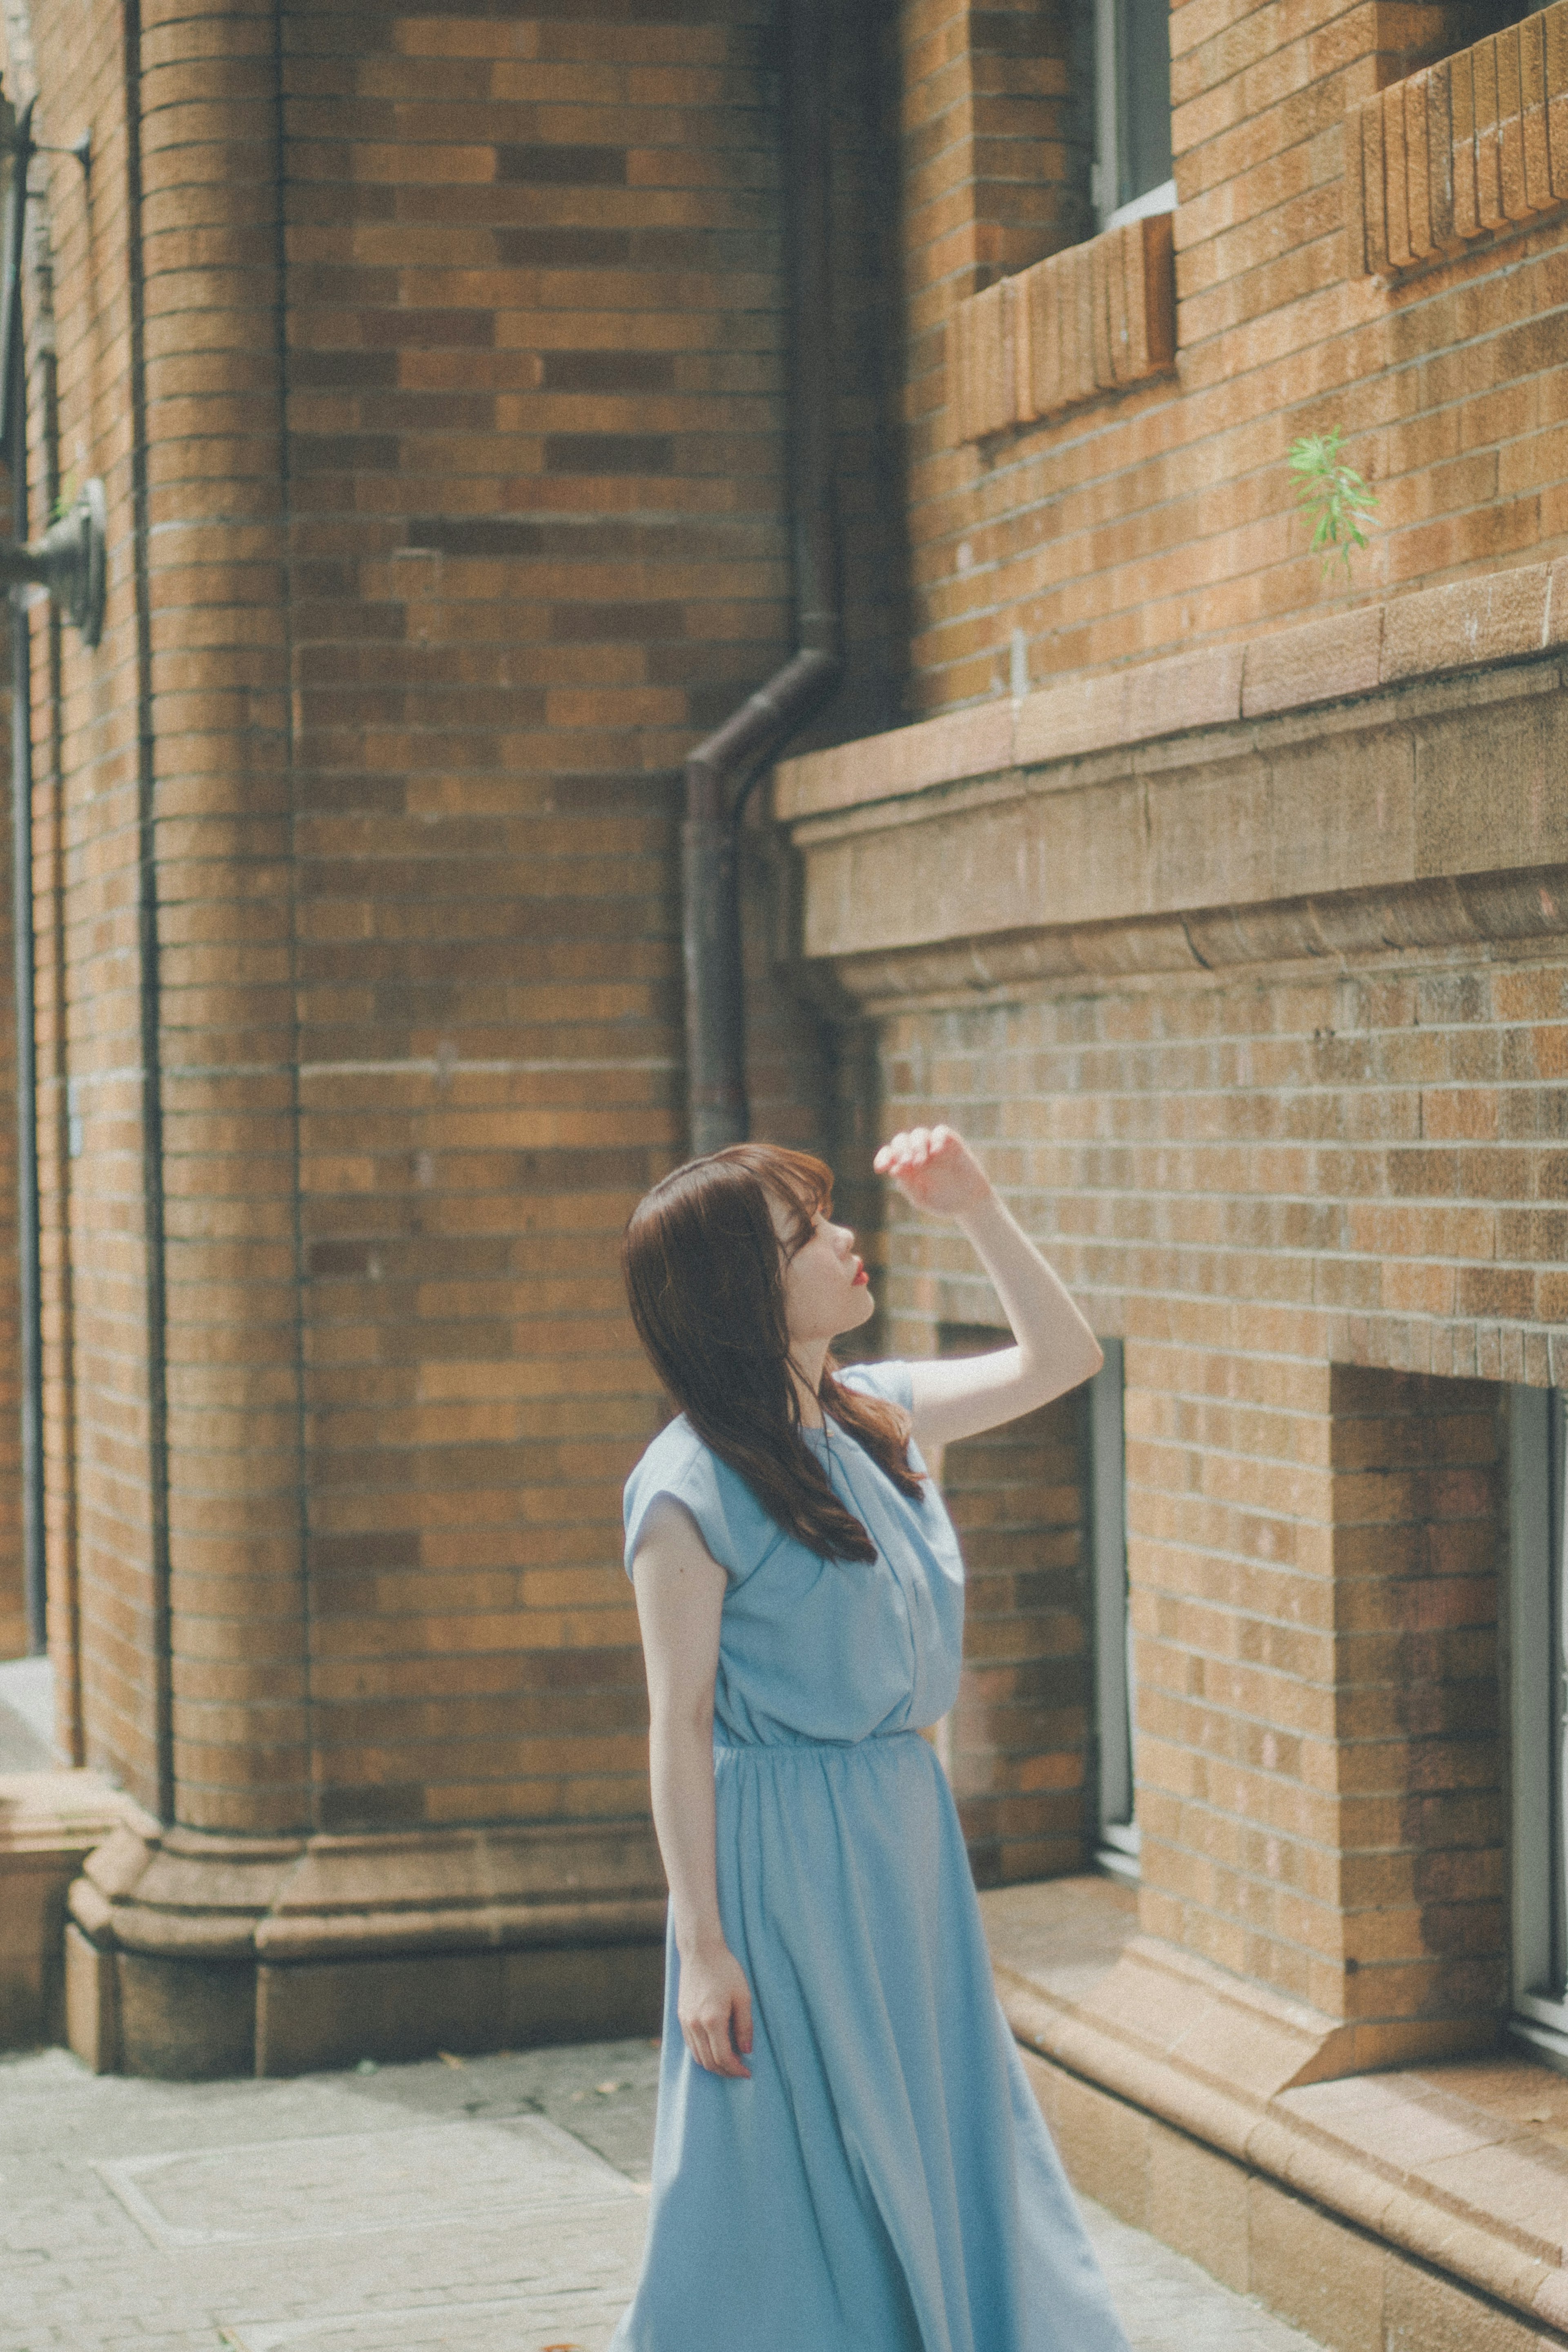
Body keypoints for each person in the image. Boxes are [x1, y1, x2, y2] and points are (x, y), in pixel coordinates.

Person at [610, 1123, 1132, 2352]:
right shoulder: (683, 1485)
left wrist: (980, 1211)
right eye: (807, 1236)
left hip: (902, 1829)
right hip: (780, 1854)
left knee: (942, 2124)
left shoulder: (880, 1417)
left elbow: (1067, 1357)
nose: (846, 1243)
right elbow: (677, 1723)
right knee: (793, 2164)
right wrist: (703, 1949)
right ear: (747, 1289)